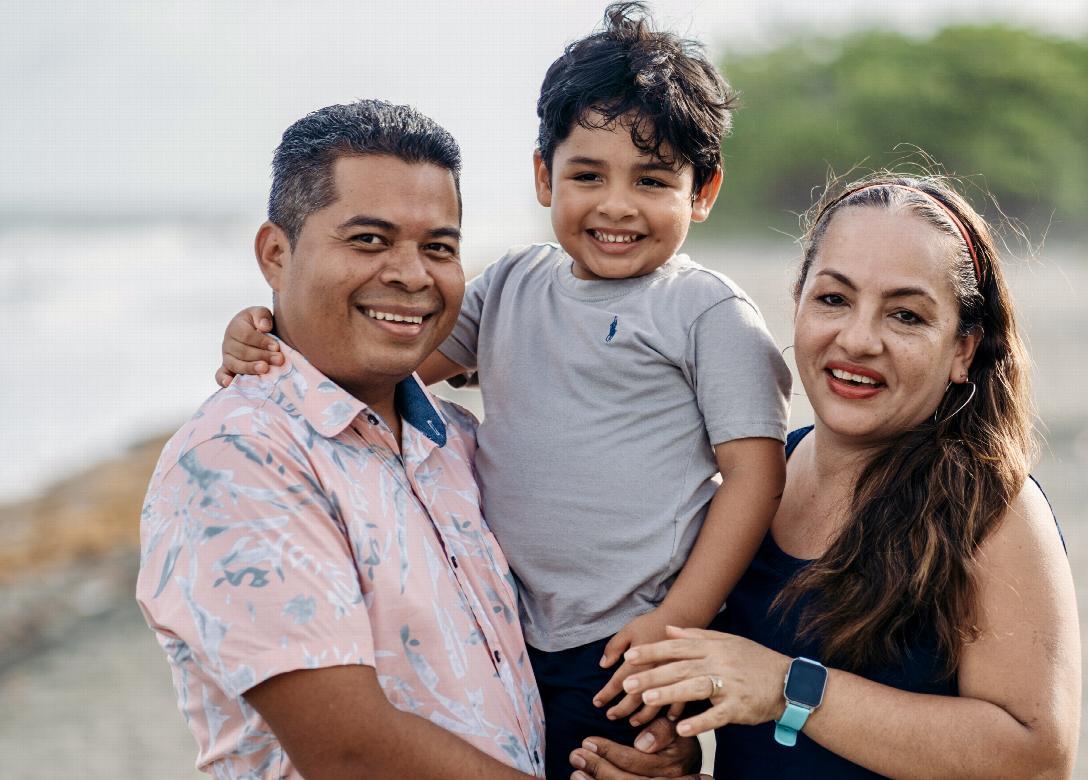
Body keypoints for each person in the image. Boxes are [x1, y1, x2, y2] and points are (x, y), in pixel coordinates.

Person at [214, 4, 791, 776]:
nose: (616, 205)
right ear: (544, 175)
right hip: (503, 625)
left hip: (625, 637)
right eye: (587, 175)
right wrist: (267, 337)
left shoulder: (706, 312)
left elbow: (756, 475)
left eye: (652, 180)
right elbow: (389, 353)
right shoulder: (515, 282)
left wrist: (677, 620)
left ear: (703, 191)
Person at [568, 175, 1081, 779]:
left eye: (906, 315)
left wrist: (789, 688)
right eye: (834, 299)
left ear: (963, 350)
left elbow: (1037, 760)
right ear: (798, 302)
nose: (858, 340)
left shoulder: (995, 508)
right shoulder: (754, 486)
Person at [140, 100, 558, 779]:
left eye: (439, 247)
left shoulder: (457, 441)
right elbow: (350, 752)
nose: (412, 274)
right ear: (276, 254)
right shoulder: (236, 456)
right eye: (368, 239)